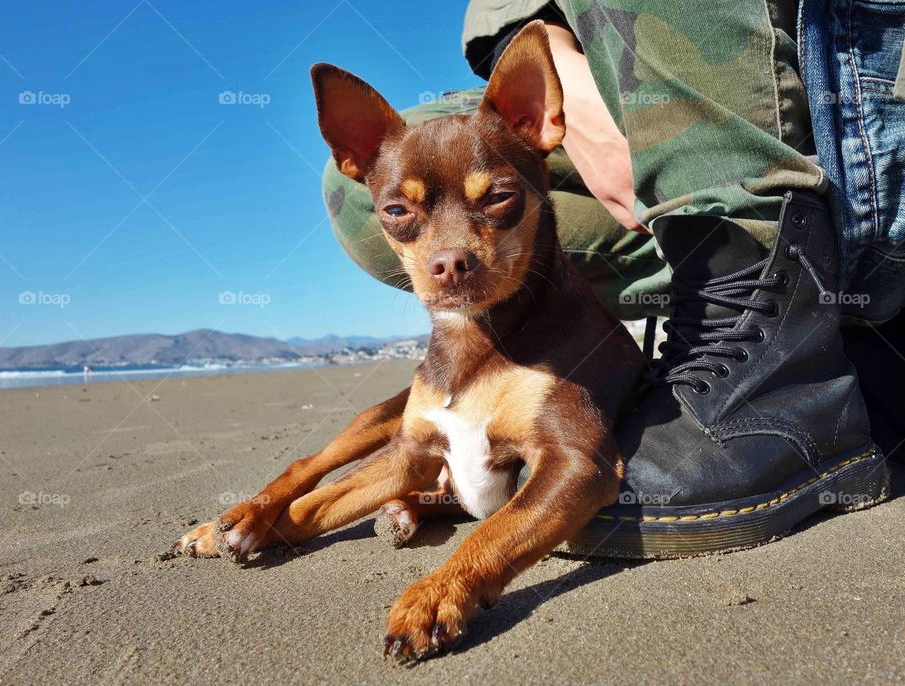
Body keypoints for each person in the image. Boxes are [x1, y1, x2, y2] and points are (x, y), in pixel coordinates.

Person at [320, 1, 902, 556]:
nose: (450, 256)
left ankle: (758, 304)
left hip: (832, 115)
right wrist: (569, 81)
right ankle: (701, 288)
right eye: (405, 215)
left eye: (494, 199)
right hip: (612, 91)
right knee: (361, 191)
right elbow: (513, 18)